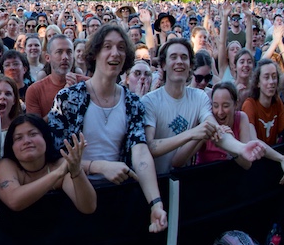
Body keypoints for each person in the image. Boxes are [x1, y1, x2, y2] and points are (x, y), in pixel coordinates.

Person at [46, 24, 167, 234]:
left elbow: (140, 153)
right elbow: (56, 159)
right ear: (94, 54)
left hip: (119, 202)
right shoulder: (68, 99)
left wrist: (155, 203)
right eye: (107, 46)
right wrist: (99, 166)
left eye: (121, 47)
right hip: (74, 200)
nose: (115, 53)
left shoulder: (133, 103)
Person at [142, 39, 219, 174]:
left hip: (184, 180)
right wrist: (191, 133)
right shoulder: (149, 101)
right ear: (164, 65)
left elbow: (212, 126)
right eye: (173, 57)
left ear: (190, 65)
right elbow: (150, 146)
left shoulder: (200, 97)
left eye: (184, 57)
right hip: (156, 181)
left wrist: (242, 148)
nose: (179, 61)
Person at [0, 114, 95, 213]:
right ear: (11, 146)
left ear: (45, 138)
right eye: (18, 138)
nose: (27, 141)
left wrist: (77, 172)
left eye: (33, 134)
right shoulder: (6, 165)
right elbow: (14, 201)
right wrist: (57, 173)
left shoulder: (61, 164)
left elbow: (88, 207)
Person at [242, 59, 284, 177]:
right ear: (258, 82)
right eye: (266, 77)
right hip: (255, 168)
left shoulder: (277, 102)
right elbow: (254, 140)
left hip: (271, 163)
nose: (271, 82)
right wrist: (282, 158)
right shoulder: (249, 105)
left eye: (274, 77)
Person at [24, 35, 81, 118]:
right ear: (47, 58)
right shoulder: (34, 91)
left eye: (69, 52)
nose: (65, 57)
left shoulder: (87, 85)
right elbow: (35, 129)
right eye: (59, 52)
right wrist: (61, 100)